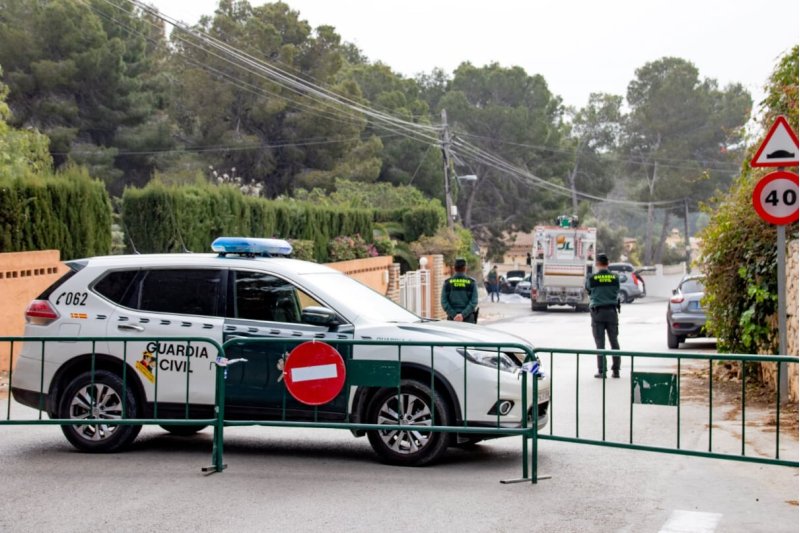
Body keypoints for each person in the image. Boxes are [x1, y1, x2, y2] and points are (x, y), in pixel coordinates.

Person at [585, 253, 621, 378]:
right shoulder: (615, 277)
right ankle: (616, 371)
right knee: (614, 342)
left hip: (597, 313)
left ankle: (602, 371)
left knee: (600, 343)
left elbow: (588, 290)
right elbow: (617, 290)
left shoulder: (592, 278)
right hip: (612, 312)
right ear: (608, 263)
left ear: (597, 264)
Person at [441, 257, 479, 323]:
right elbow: (473, 302)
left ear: (454, 268)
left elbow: (444, 302)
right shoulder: (471, 282)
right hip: (468, 320)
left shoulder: (448, 283)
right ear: (465, 268)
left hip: (452, 320)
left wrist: (454, 315)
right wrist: (462, 315)